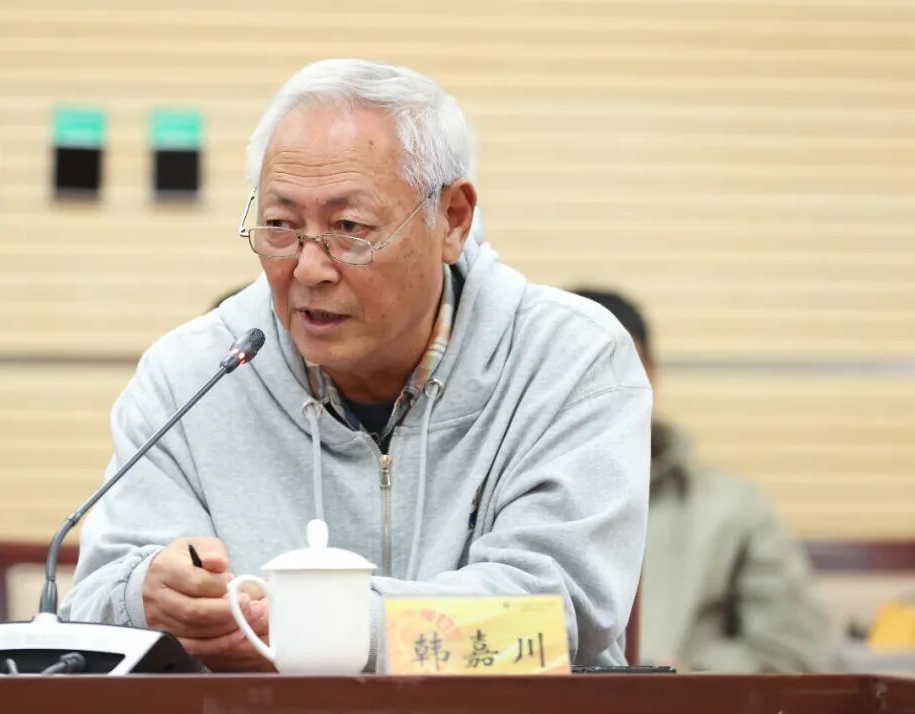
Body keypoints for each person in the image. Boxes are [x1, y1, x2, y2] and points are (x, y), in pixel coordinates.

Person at [62, 59, 652, 672]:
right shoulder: (193, 374)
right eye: (280, 226)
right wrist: (144, 600)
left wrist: (322, 628)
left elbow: (554, 613)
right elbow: (91, 606)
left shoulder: (568, 361)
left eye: (349, 228)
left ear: (453, 219)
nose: (309, 268)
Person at [570, 288, 834, 672]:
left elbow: (798, 651)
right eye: (573, 373)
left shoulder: (732, 508)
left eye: (617, 369)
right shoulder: (502, 500)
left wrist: (695, 676)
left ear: (652, 376)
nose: (596, 394)